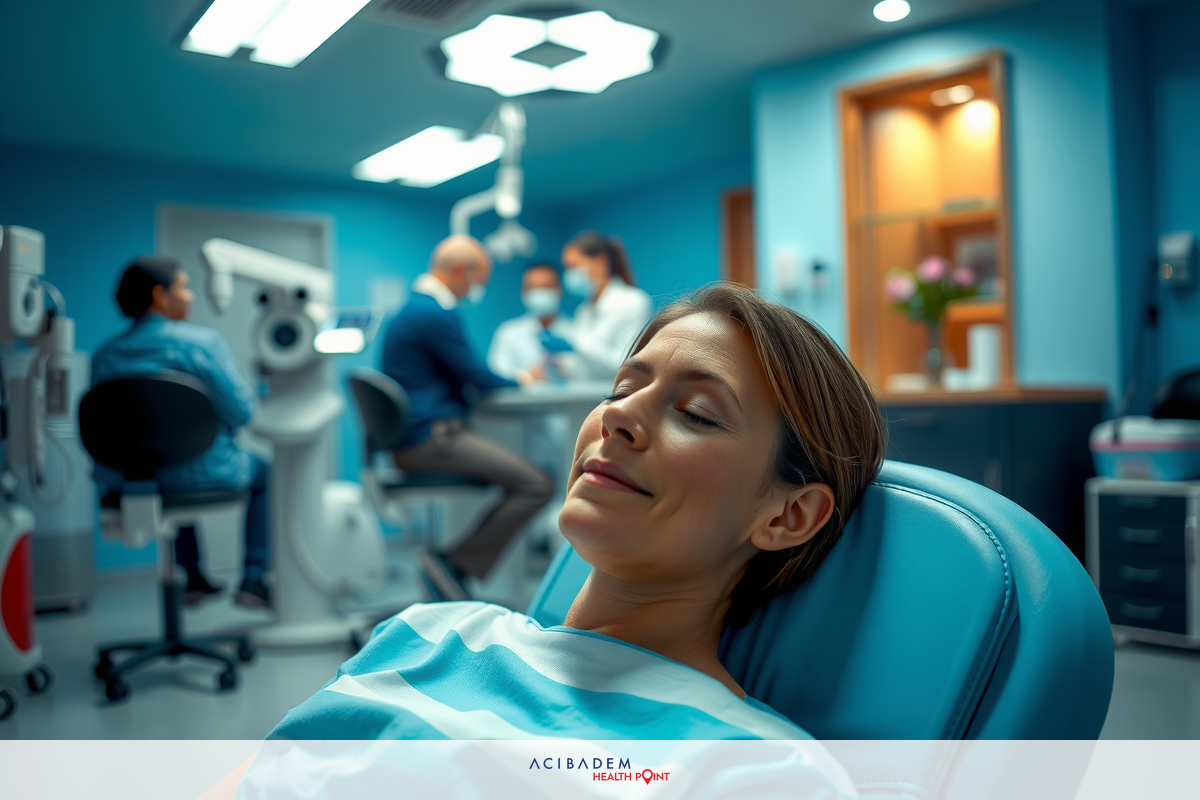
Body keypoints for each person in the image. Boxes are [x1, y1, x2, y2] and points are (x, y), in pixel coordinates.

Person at [263, 282, 887, 743]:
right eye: (622, 389)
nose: (618, 414)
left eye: (697, 413)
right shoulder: (424, 633)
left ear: (787, 516)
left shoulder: (754, 765)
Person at [380, 235, 555, 601]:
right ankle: (452, 565)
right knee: (537, 484)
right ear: (462, 270)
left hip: (414, 436)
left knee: (528, 481)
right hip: (431, 438)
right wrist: (527, 377)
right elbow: (479, 377)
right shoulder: (433, 313)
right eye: (480, 279)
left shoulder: (413, 309)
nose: (479, 288)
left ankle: (451, 566)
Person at [91, 256, 271, 609]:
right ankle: (254, 579)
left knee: (164, 457)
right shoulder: (200, 344)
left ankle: (194, 578)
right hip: (198, 474)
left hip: (127, 478)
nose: (191, 296)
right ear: (159, 296)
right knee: (265, 472)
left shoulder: (105, 355)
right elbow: (242, 412)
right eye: (184, 287)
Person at [558, 230, 653, 381]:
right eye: (567, 268)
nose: (569, 274)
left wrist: (574, 342)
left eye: (573, 266)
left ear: (601, 262)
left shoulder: (633, 301)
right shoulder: (583, 310)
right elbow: (583, 366)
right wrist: (559, 365)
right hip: (586, 392)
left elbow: (626, 363)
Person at [486, 261, 574, 383]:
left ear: (559, 289)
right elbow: (497, 375)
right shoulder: (508, 333)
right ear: (523, 292)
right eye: (532, 287)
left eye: (546, 286)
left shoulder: (577, 332)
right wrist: (526, 376)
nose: (540, 293)